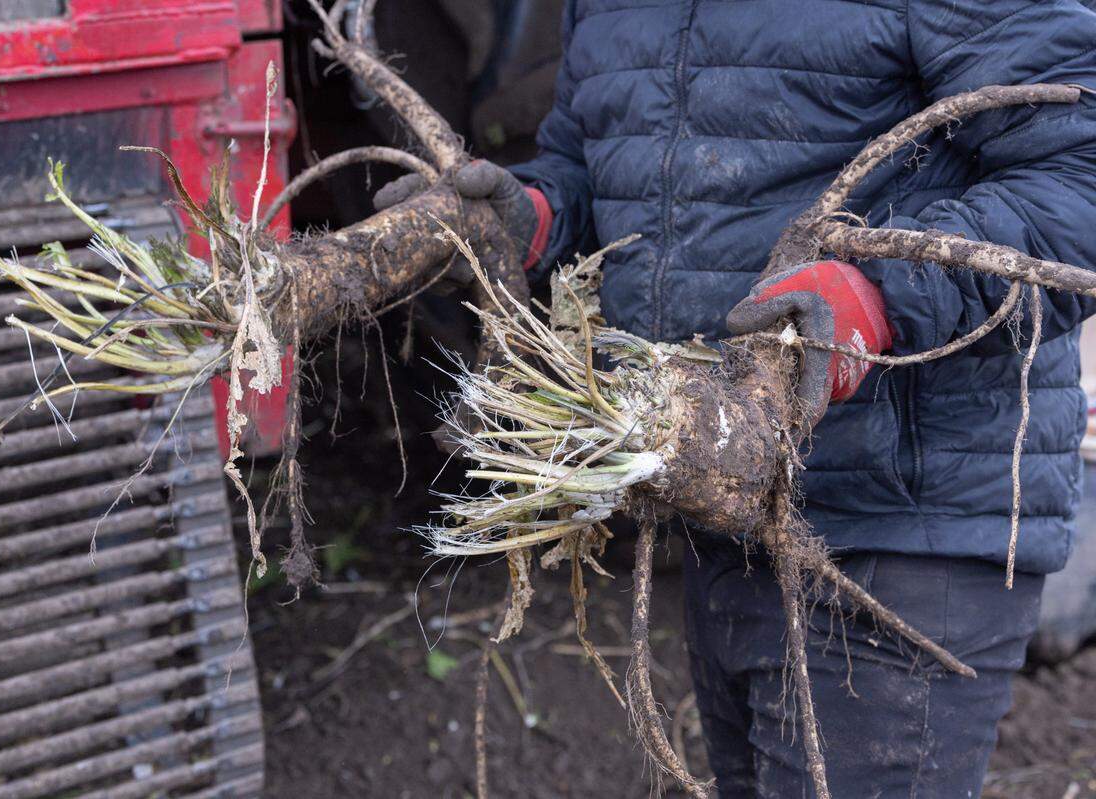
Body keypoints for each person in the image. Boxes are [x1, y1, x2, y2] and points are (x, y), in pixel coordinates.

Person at [377, 1, 1096, 795]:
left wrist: (877, 297)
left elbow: (1079, 172)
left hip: (905, 528)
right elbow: (604, 165)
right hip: (724, 507)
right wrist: (537, 217)